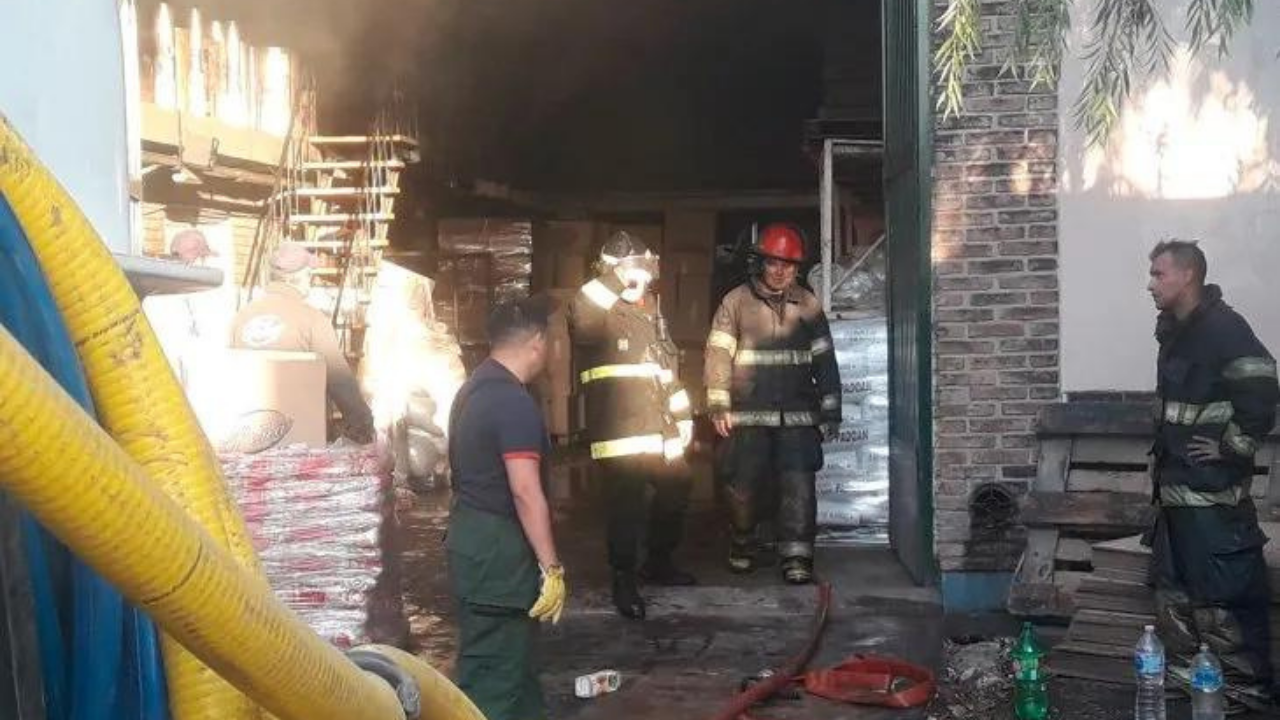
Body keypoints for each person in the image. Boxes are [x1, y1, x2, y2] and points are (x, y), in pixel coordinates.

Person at [1145, 239, 1278, 708]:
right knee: (1174, 594)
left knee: (1224, 598)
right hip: (1175, 493)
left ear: (1188, 276)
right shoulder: (1175, 330)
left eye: (1159, 274)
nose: (1151, 284)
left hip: (1213, 500)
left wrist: (1233, 446)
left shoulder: (1224, 328)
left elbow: (1263, 384)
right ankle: (1192, 689)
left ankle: (1245, 695)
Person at [446, 296, 566, 720]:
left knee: (517, 671)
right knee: (493, 681)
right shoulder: (512, 403)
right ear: (537, 342)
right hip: (498, 555)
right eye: (550, 341)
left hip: (476, 543)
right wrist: (551, 567)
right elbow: (525, 492)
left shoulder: (474, 387)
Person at [567, 231, 696, 620]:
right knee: (627, 508)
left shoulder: (648, 308)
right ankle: (624, 581)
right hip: (619, 434)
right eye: (637, 267)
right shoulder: (597, 309)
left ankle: (658, 561)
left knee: (678, 486)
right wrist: (618, 276)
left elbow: (665, 367)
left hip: (658, 429)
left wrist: (683, 416)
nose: (645, 275)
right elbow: (583, 318)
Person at [704, 223, 841, 585]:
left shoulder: (808, 305)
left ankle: (796, 557)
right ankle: (743, 544)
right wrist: (718, 404)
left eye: (789, 265)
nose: (781, 271)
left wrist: (831, 410)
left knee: (798, 484)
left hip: (797, 413)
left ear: (797, 268)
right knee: (742, 484)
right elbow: (718, 354)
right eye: (774, 263)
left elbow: (825, 360)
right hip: (747, 414)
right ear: (760, 263)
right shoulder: (735, 302)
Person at [229, 240, 374, 443]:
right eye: (309, 275)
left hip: (248, 435)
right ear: (300, 277)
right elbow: (340, 380)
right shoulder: (312, 319)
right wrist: (363, 424)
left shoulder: (241, 317)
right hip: (300, 441)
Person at [142, 229, 225, 388]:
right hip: (167, 362)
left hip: (200, 362)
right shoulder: (157, 289)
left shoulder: (206, 282)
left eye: (200, 251)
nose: (197, 256)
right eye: (194, 250)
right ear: (175, 252)